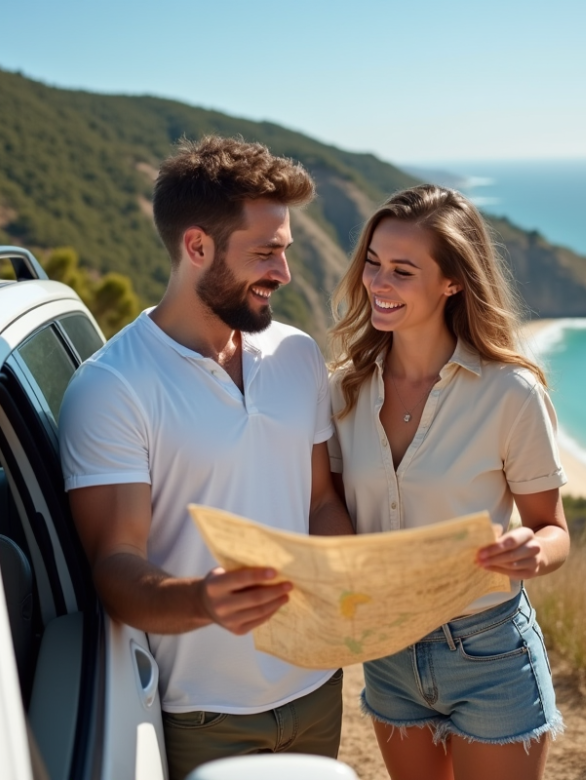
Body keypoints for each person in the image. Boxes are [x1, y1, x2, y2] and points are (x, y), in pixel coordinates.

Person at [59, 136, 355, 780]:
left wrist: (352, 580)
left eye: (285, 250)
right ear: (197, 247)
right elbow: (115, 566)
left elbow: (320, 501)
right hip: (200, 718)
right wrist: (205, 600)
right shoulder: (113, 386)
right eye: (265, 253)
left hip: (316, 690)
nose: (283, 272)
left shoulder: (298, 354)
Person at [326, 184, 569, 780]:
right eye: (374, 265)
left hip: (488, 653)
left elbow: (553, 529)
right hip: (386, 650)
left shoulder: (511, 394)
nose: (378, 284)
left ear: (452, 281)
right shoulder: (342, 390)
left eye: (403, 271)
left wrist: (532, 552)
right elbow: (327, 506)